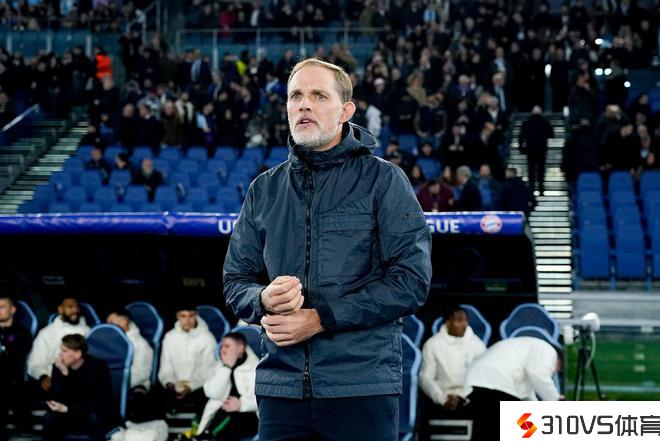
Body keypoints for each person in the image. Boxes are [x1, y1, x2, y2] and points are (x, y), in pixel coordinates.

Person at [223, 58, 432, 440]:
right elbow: (236, 280)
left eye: (319, 95)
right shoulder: (264, 189)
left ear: (346, 111)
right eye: (295, 96)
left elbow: (410, 282)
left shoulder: (384, 180)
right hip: (280, 387)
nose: (304, 104)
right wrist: (263, 298)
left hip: (360, 386)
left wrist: (321, 318)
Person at [461, 335, 561, 441]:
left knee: (485, 431)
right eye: (556, 370)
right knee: (527, 429)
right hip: (497, 384)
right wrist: (556, 400)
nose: (553, 372)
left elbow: (527, 392)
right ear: (559, 361)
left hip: (477, 382)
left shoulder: (527, 349)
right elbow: (538, 375)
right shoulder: (549, 352)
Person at [419, 306, 486, 440]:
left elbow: (480, 378)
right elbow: (426, 377)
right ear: (448, 322)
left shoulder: (478, 345)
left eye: (466, 320)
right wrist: (441, 398)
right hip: (440, 399)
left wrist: (461, 397)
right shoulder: (432, 344)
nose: (464, 324)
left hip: (468, 399)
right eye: (459, 320)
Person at [43, 334, 113, 441]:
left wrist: (68, 409)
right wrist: (64, 374)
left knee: (94, 418)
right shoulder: (59, 367)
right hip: (68, 413)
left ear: (77, 354)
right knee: (49, 418)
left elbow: (99, 403)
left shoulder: (98, 367)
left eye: (64, 351)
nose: (60, 354)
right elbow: (54, 398)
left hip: (89, 412)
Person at [196, 333, 259, 440]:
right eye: (222, 346)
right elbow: (211, 393)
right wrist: (227, 367)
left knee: (233, 418)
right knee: (201, 399)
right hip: (222, 411)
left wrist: (241, 405)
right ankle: (204, 435)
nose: (223, 349)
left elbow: (263, 400)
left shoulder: (256, 368)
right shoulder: (219, 365)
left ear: (240, 348)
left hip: (248, 415)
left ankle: (205, 436)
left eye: (227, 346)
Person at [158, 303, 216, 415]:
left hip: (199, 387)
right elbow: (165, 367)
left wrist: (191, 386)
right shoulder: (169, 337)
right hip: (174, 386)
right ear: (177, 316)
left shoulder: (207, 338)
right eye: (183, 316)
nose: (187, 320)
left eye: (191, 315)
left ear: (196, 315)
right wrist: (170, 384)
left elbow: (208, 371)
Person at [27, 297, 91, 393]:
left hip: (81, 385)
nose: (75, 310)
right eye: (70, 307)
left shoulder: (89, 332)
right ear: (60, 309)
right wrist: (43, 377)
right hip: (53, 383)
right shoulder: (47, 333)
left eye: (77, 306)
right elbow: (35, 363)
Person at [107, 309, 154, 421]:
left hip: (133, 388)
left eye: (111, 323)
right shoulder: (108, 342)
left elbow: (142, 373)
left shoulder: (141, 344)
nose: (108, 327)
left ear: (124, 322)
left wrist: (118, 383)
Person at [0, 295, 32, 439]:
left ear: (12, 309)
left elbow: (18, 353)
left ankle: (24, 431)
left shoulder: (22, 332)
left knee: (19, 395)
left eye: (2, 307)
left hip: (15, 380)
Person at [519, 106, 554, 194]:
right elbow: (551, 134)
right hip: (541, 149)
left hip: (530, 150)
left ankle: (531, 189)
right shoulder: (545, 122)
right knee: (541, 170)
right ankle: (541, 189)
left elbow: (521, 136)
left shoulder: (527, 122)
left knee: (531, 170)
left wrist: (522, 148)